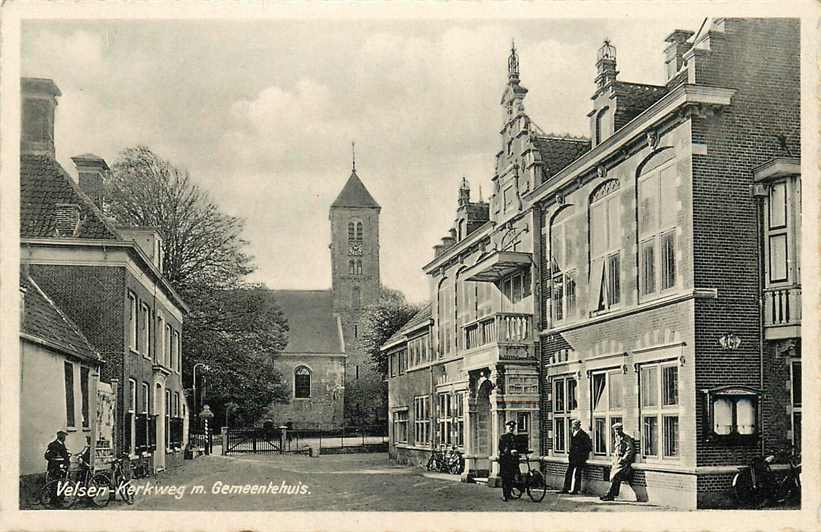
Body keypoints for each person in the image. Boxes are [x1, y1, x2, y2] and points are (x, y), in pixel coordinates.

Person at [600, 422, 635, 501]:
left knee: (615, 476)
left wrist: (624, 459)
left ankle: (610, 495)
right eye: (615, 430)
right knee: (614, 477)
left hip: (623, 463)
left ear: (621, 429)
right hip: (616, 461)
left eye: (617, 430)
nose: (616, 431)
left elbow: (630, 449)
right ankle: (610, 495)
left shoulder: (626, 438)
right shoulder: (617, 438)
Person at [560, 419, 592, 494]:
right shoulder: (573, 433)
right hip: (573, 457)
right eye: (572, 425)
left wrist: (583, 456)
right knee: (569, 472)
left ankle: (576, 489)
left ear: (578, 425)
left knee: (577, 474)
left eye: (574, 425)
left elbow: (588, 447)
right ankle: (566, 488)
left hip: (580, 458)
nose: (573, 426)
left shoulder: (583, 434)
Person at [498, 420, 519, 501]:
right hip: (505, 461)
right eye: (510, 427)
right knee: (505, 478)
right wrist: (509, 451)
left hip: (513, 461)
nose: (511, 428)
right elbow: (501, 448)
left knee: (511, 478)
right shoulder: (503, 437)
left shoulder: (515, 437)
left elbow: (517, 446)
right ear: (506, 427)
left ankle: (509, 494)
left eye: (512, 427)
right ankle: (504, 495)